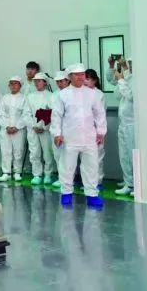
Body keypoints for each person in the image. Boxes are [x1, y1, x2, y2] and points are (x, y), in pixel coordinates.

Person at [52, 63, 107, 208]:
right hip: (69, 137)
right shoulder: (62, 95)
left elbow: (99, 113)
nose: (80, 77)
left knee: (91, 166)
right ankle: (66, 193)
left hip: (89, 137)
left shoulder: (92, 94)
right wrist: (57, 134)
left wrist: (101, 131)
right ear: (70, 77)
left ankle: (92, 194)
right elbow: (56, 116)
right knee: (67, 166)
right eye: (76, 75)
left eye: (82, 74)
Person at [106, 57, 135, 196]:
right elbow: (115, 88)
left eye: (130, 64)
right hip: (123, 123)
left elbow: (130, 96)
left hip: (132, 124)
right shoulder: (127, 77)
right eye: (128, 64)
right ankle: (129, 182)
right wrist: (113, 67)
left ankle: (136, 185)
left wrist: (122, 80)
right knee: (124, 155)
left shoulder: (137, 79)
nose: (129, 66)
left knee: (132, 155)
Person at [23, 72, 55, 185]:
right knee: (34, 152)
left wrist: (44, 127)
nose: (37, 83)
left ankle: (48, 174)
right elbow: (26, 114)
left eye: (39, 81)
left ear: (45, 82)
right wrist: (34, 126)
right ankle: (37, 174)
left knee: (47, 153)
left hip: (46, 130)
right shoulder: (30, 97)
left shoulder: (51, 96)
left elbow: (53, 115)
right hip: (33, 130)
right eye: (35, 81)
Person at [0, 76, 27, 182]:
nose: (13, 86)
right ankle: (6, 172)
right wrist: (7, 126)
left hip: (19, 130)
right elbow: (1, 114)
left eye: (16, 83)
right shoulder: (5, 98)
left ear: (20, 85)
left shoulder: (24, 98)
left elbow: (25, 115)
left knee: (18, 151)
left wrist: (17, 127)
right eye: (11, 83)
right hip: (5, 129)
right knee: (5, 151)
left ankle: (17, 172)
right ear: (9, 85)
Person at [84, 69, 106, 189]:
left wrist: (100, 133)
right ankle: (88, 182)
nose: (85, 81)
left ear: (95, 81)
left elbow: (100, 115)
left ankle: (98, 181)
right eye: (84, 79)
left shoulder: (99, 95)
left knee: (97, 157)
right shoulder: (82, 93)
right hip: (84, 130)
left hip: (96, 130)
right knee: (86, 158)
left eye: (88, 79)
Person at [50, 70, 70, 188]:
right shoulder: (54, 95)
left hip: (68, 129)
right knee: (57, 154)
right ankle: (61, 178)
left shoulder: (71, 93)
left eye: (61, 81)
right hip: (56, 129)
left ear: (67, 81)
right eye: (57, 82)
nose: (59, 84)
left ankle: (68, 179)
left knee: (68, 156)